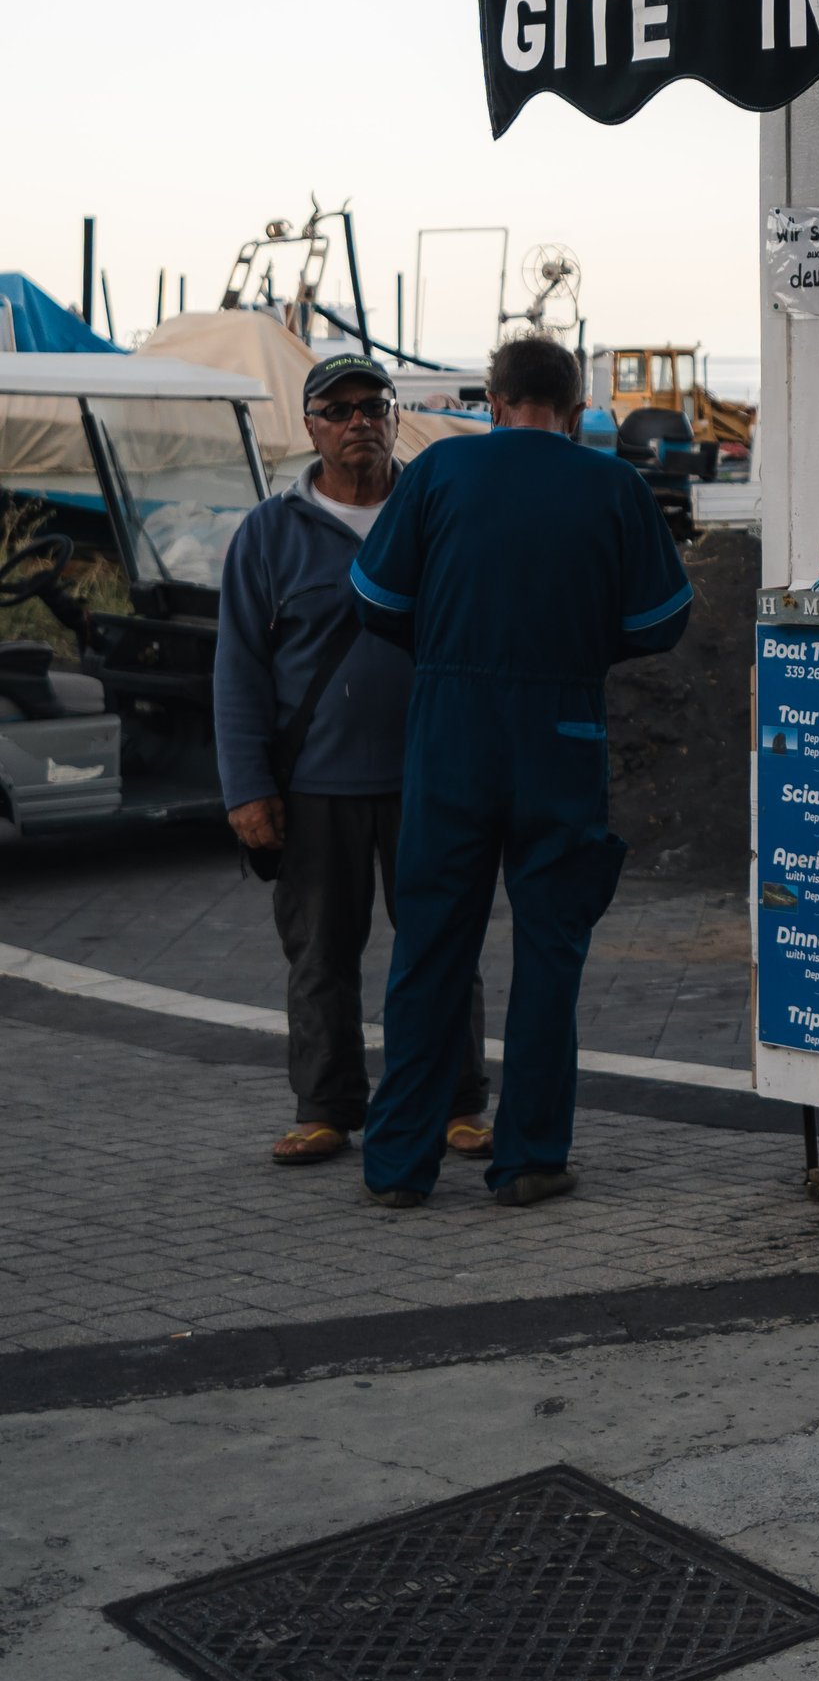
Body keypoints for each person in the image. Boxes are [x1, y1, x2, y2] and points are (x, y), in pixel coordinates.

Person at [349, 333, 690, 1210]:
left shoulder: (440, 472)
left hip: (451, 730)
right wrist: (578, 648)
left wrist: (448, 643)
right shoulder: (613, 486)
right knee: (550, 951)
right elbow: (662, 619)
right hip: (562, 733)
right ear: (577, 412)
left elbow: (375, 598)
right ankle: (531, 1157)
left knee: (430, 948)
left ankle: (398, 1167)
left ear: (492, 404)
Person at [215, 351, 489, 1168]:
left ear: (396, 415)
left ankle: (456, 1101)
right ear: (311, 428)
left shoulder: (438, 514)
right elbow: (237, 670)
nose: (358, 421)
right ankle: (325, 1108)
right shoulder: (268, 533)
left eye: (373, 405)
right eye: (337, 410)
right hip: (313, 787)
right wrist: (246, 790)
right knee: (320, 957)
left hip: (429, 779)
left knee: (442, 945)